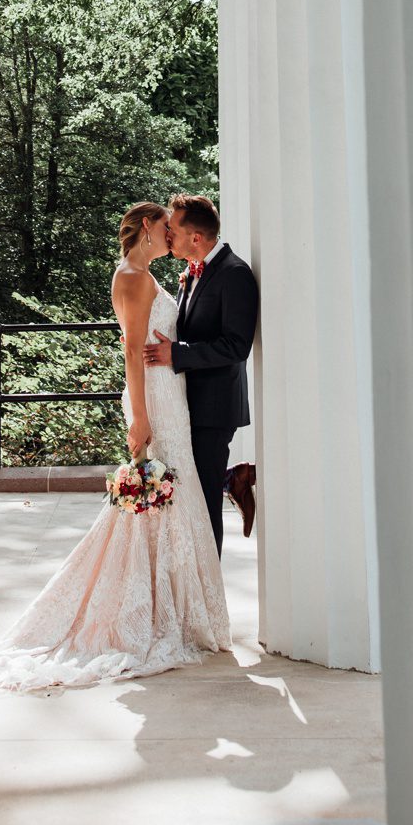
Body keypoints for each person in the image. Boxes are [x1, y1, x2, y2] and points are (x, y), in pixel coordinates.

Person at [0, 202, 231, 693]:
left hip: (171, 394)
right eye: (166, 226)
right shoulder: (131, 277)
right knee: (159, 500)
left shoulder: (150, 275)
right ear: (148, 229)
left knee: (176, 499)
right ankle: (153, 609)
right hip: (153, 397)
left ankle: (174, 606)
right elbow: (132, 351)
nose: (172, 234)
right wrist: (140, 417)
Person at [143, 193, 260, 555]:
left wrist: (175, 354)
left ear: (196, 238)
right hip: (183, 403)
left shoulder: (235, 274)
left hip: (214, 407)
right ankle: (234, 477)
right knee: (188, 492)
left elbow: (236, 347)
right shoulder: (191, 273)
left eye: (173, 230)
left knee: (206, 503)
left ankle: (210, 597)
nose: (168, 237)